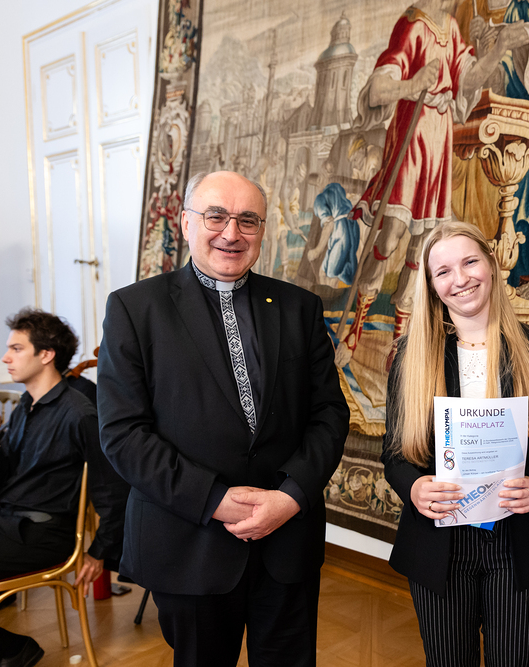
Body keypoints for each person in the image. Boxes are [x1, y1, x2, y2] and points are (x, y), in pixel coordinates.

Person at [98, 170, 349, 667]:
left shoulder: (299, 308)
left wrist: (291, 496)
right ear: (186, 222)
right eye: (216, 216)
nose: (232, 233)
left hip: (287, 539)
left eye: (248, 220)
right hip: (189, 541)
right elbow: (123, 433)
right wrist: (213, 499)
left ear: (262, 230)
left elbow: (329, 413)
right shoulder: (134, 308)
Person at [382, 221, 529, 666]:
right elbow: (394, 454)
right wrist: (415, 488)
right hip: (440, 542)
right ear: (432, 285)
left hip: (518, 540)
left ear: (492, 264)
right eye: (443, 271)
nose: (460, 279)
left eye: (469, 262)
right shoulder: (411, 355)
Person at [335, 0, 528, 368]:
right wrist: (413, 83)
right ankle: (356, 327)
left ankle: (400, 339)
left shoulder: (451, 29)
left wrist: (499, 49)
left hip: (439, 140)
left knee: (423, 246)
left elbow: (469, 79)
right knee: (391, 234)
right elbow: (376, 91)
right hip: (412, 133)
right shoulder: (413, 24)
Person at [0, 309, 126, 667]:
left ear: (46, 354)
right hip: (5, 522)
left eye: (16, 348)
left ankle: (4, 650)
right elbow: (5, 482)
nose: (6, 358)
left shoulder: (79, 413)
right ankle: (7, 648)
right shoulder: (25, 406)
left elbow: (112, 490)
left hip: (40, 534)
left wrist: (98, 551)